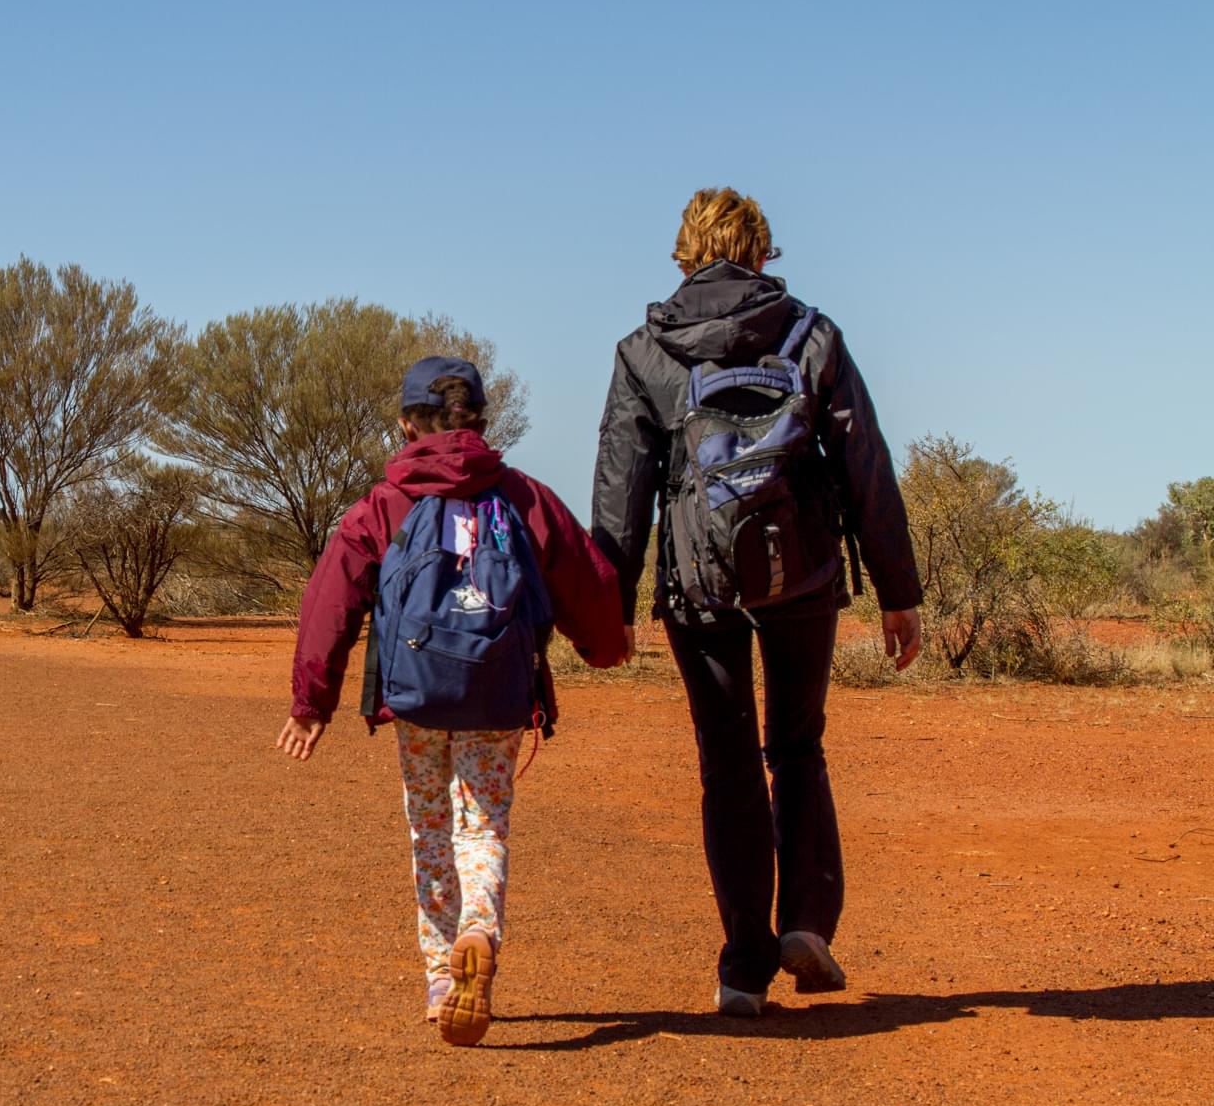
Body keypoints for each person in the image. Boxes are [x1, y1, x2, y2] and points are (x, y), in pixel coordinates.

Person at [591, 187, 923, 1017]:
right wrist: (898, 591)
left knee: (727, 761)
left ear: (683, 253)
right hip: (802, 572)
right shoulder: (813, 334)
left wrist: (610, 605)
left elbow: (620, 488)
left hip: (698, 586)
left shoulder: (646, 350)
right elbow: (865, 466)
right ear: (763, 251)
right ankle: (806, 919)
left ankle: (743, 968)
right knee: (798, 745)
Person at [277, 355, 627, 1045]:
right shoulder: (524, 496)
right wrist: (608, 648)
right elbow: (587, 578)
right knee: (483, 826)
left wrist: (310, 702)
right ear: (483, 422)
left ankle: (442, 975)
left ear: (407, 424)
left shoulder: (386, 502)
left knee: (429, 828)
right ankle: (479, 929)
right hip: (499, 694)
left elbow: (330, 599)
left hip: (417, 695)